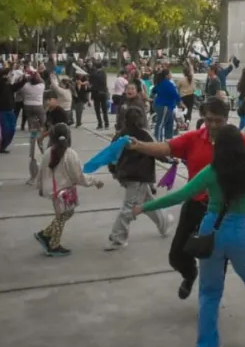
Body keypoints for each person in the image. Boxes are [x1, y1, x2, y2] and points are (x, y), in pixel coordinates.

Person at [133, 113, 245, 347]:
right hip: (240, 232)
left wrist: (145, 207)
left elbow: (181, 195)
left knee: (209, 291)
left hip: (211, 230)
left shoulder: (210, 172)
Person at [128, 98, 245, 300]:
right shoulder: (193, 138)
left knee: (217, 262)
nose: (213, 125)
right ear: (203, 118)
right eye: (209, 120)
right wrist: (139, 145)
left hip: (221, 212)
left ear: (227, 119)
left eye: (218, 120)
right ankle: (190, 274)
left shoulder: (237, 141)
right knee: (176, 255)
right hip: (195, 205)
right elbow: (165, 148)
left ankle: (210, 303)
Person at [104, 107, 175, 251]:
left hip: (127, 176)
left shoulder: (120, 135)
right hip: (140, 175)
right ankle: (163, 222)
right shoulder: (145, 134)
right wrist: (170, 160)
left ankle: (119, 238)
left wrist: (113, 171)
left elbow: (111, 154)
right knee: (138, 204)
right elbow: (157, 150)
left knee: (135, 206)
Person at [34, 123, 105, 257]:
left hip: (53, 190)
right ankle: (53, 245)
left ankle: (45, 234)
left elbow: (41, 171)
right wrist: (95, 181)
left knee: (66, 213)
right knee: (62, 216)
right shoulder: (70, 154)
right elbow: (78, 177)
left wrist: (40, 186)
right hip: (63, 191)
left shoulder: (48, 152)